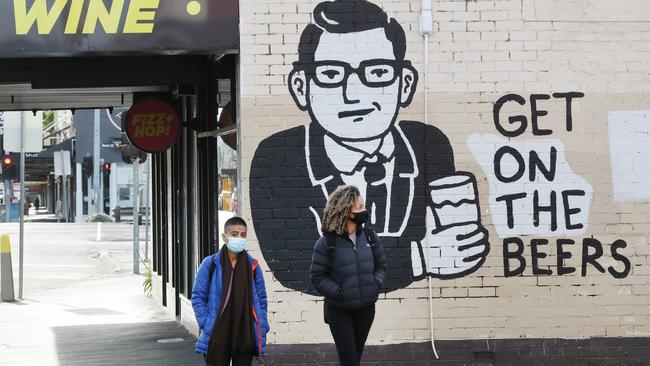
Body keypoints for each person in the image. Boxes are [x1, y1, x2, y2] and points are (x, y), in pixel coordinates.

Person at [250, 0, 489, 295]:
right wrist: (420, 258)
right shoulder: (278, 158)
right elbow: (295, 263)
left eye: (377, 73)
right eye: (331, 74)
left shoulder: (428, 143)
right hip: (341, 310)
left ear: (405, 84)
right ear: (301, 86)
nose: (353, 94)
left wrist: (460, 246)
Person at [310, 185, 387, 366]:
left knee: (355, 358)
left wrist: (375, 284)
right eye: (359, 208)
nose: (364, 211)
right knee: (349, 360)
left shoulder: (370, 237)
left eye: (364, 206)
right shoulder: (326, 243)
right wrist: (339, 293)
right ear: (345, 211)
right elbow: (317, 277)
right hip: (339, 310)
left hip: (366, 309)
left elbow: (381, 265)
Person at [191, 217, 269, 366]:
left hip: (245, 334)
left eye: (243, 234)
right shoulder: (210, 263)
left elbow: (262, 298)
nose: (239, 238)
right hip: (218, 334)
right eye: (234, 234)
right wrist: (206, 323)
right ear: (224, 237)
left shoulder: (252, 266)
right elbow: (197, 297)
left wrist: (262, 322)